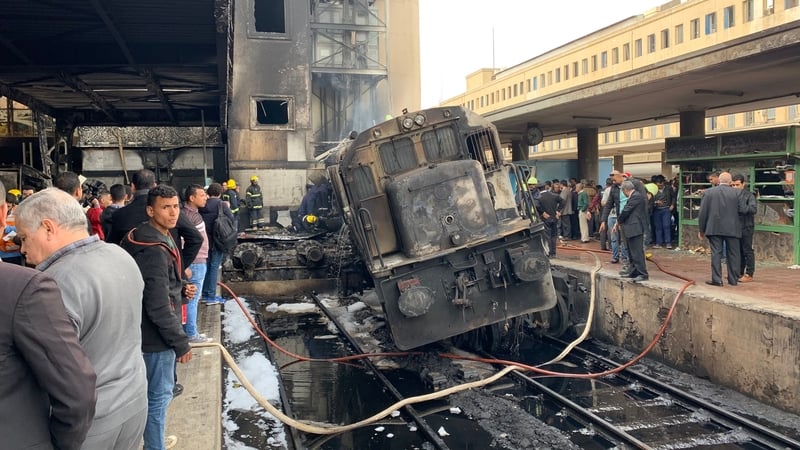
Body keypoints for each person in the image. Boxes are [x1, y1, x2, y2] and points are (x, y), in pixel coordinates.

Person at [15, 187, 149, 450]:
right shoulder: (120, 255)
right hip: (134, 402)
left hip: (90, 424)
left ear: (48, 228)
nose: (22, 250)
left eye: (24, 238)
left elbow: (59, 376)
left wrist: (63, 440)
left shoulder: (50, 285)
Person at [0, 180, 97, 450]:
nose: (22, 250)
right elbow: (76, 393)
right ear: (2, 212)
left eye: (23, 239)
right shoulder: (25, 287)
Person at [121, 185, 195, 450]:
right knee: (158, 397)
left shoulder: (151, 235)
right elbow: (157, 305)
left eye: (175, 206)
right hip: (156, 339)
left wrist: (181, 290)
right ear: (151, 210)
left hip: (141, 331)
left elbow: (157, 288)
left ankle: (153, 441)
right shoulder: (152, 248)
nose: (173, 212)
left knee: (149, 396)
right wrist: (181, 342)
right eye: (166, 207)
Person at [181, 184, 213, 341]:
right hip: (195, 262)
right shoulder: (190, 216)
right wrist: (185, 264)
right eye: (201, 195)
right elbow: (182, 241)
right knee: (192, 299)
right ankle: (191, 333)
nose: (205, 197)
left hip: (194, 261)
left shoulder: (190, 214)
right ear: (191, 198)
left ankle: (187, 330)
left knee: (188, 298)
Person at [698, 172, 742, 286]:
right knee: (733, 254)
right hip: (732, 228)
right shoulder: (737, 193)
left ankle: (717, 279)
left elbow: (703, 212)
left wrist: (701, 229)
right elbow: (742, 211)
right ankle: (733, 279)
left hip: (714, 227)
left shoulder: (709, 193)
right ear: (730, 181)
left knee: (716, 253)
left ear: (719, 180)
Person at [200, 182, 235, 304]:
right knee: (214, 267)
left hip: (204, 241)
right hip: (217, 241)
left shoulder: (202, 205)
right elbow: (231, 219)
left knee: (206, 266)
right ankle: (211, 295)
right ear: (220, 193)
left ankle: (204, 293)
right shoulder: (221, 205)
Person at [615, 180, 649, 282]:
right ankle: (633, 271)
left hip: (635, 227)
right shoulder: (634, 196)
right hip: (630, 227)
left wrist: (618, 220)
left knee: (637, 251)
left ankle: (642, 273)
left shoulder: (636, 196)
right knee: (631, 251)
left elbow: (626, 210)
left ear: (625, 190)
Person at [731, 173, 757, 282]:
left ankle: (749, 273)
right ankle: (739, 272)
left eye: (737, 185)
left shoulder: (749, 195)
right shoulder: (731, 195)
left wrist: (742, 205)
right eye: (733, 185)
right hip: (735, 226)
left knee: (747, 250)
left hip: (746, 226)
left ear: (743, 184)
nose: (735, 187)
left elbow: (753, 209)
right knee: (738, 251)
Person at [535, 182, 563, 257]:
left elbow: (536, 206)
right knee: (554, 235)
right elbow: (562, 201)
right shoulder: (553, 195)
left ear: (538, 189)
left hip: (545, 219)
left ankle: (549, 252)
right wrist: (558, 211)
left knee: (547, 236)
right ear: (545, 187)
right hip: (554, 217)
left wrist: (542, 212)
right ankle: (553, 253)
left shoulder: (539, 197)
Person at [652, 175, 676, 249]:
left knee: (666, 226)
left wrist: (672, 205)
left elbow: (673, 197)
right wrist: (655, 202)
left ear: (663, 183)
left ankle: (668, 242)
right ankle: (658, 243)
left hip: (666, 209)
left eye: (661, 185)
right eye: (658, 185)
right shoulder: (653, 190)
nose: (660, 186)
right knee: (658, 227)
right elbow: (650, 199)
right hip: (657, 210)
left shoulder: (669, 188)